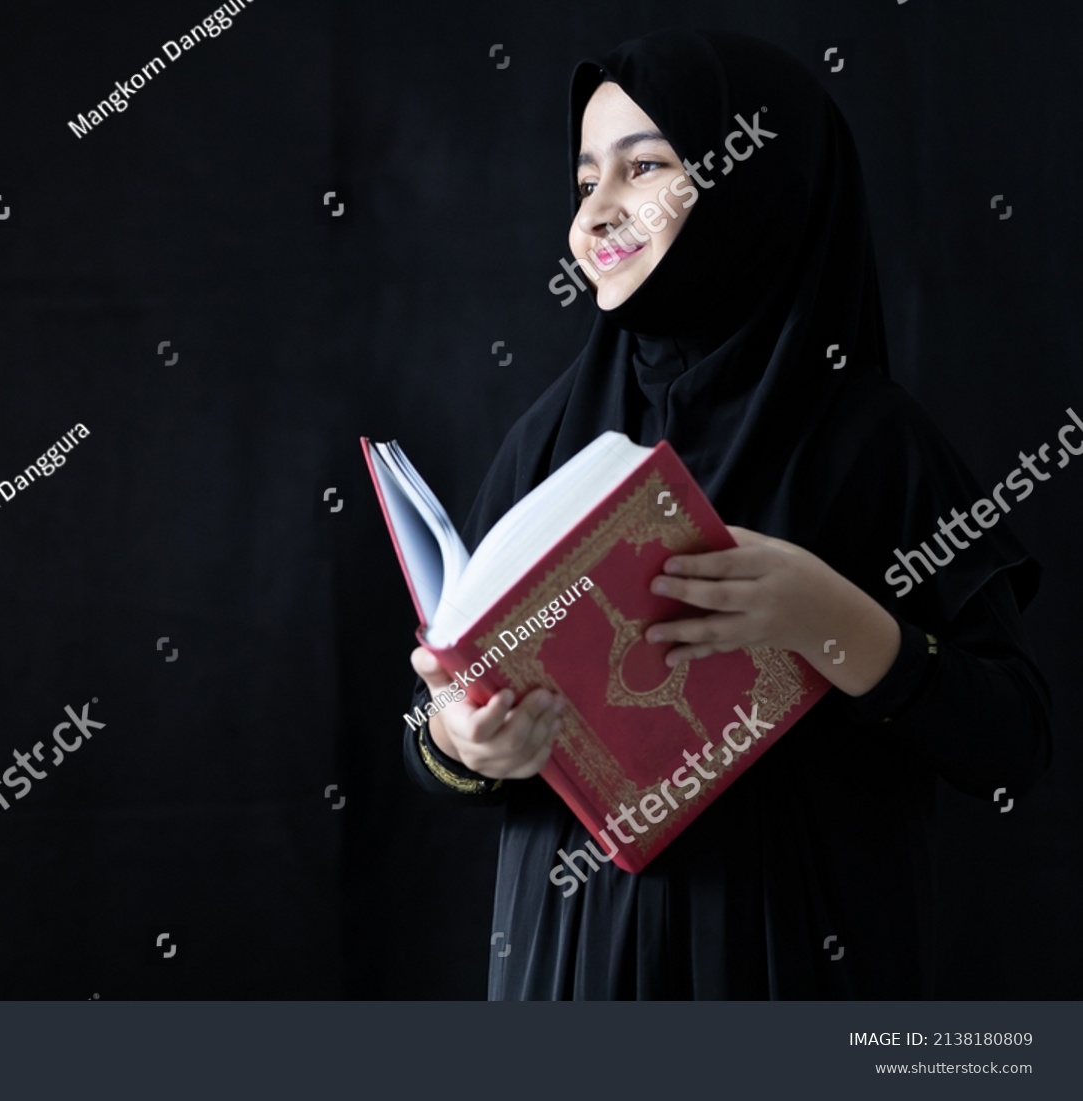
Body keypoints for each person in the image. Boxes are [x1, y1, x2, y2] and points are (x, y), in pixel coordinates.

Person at [401, 28, 1051, 999]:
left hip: (794, 958)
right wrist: (460, 743)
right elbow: (437, 726)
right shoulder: (548, 441)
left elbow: (1012, 741)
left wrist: (831, 621)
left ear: (758, 178)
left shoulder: (873, 445)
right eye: (585, 182)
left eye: (646, 165)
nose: (597, 214)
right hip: (571, 970)